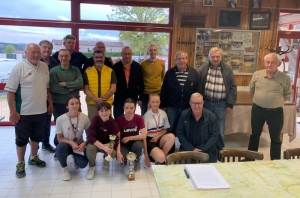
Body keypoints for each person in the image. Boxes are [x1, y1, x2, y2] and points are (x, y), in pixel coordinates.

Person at [5, 43, 53, 178]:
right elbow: (10, 92)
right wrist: (12, 111)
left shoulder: (44, 67)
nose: (36, 54)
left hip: (41, 111)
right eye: (33, 52)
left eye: (38, 52)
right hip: (23, 113)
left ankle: (33, 157)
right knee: (21, 139)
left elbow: (47, 87)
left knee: (37, 137)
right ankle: (20, 163)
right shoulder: (19, 68)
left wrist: (50, 103)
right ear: (26, 53)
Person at [247, 53, 292, 160]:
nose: (269, 64)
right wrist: (261, 100)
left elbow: (287, 95)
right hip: (258, 110)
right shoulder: (257, 74)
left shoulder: (285, 78)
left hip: (275, 112)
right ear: (264, 63)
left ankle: (275, 161)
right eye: (267, 62)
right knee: (254, 135)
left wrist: (274, 103)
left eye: (273, 62)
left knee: (275, 138)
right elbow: (252, 90)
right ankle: (250, 158)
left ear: (279, 64)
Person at [198, 47, 237, 153]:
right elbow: (198, 86)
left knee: (219, 128)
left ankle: (219, 149)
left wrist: (230, 104)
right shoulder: (203, 68)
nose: (215, 59)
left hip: (221, 104)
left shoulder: (228, 69)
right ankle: (206, 149)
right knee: (205, 126)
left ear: (221, 57)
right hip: (206, 103)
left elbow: (233, 87)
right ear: (209, 57)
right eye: (213, 56)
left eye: (217, 56)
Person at [160, 51, 198, 153]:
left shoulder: (193, 72)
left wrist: (196, 106)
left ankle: (184, 148)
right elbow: (164, 90)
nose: (181, 61)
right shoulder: (169, 73)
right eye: (179, 59)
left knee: (186, 128)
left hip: (187, 107)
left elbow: (197, 90)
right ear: (175, 60)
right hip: (172, 107)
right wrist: (163, 105)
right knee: (171, 128)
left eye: (183, 58)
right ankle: (170, 149)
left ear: (187, 60)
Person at [49, 49, 83, 152]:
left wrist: (65, 84)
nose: (64, 58)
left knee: (76, 125)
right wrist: (71, 89)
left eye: (66, 56)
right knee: (61, 125)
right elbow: (54, 88)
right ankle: (59, 148)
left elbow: (80, 83)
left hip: (75, 104)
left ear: (70, 57)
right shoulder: (53, 71)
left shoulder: (76, 70)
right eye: (61, 56)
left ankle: (76, 146)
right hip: (59, 103)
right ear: (58, 57)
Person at [55, 96, 90, 181]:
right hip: (66, 145)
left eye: (77, 103)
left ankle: (75, 157)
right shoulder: (60, 119)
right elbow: (59, 138)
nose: (75, 106)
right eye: (72, 104)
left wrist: (84, 143)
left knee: (83, 164)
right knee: (60, 147)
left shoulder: (84, 117)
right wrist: (71, 142)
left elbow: (90, 135)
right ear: (67, 106)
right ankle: (64, 169)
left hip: (79, 146)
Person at [177, 93, 219, 163]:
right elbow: (180, 133)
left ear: (203, 103)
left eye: (199, 103)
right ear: (190, 103)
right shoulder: (184, 115)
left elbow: (214, 136)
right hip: (187, 150)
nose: (196, 106)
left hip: (207, 151)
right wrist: (191, 149)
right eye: (194, 103)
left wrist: (201, 149)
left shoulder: (211, 116)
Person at [86, 102, 120, 180]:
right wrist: (102, 146)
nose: (104, 113)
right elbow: (90, 136)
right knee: (90, 148)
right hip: (96, 144)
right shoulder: (95, 119)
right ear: (98, 112)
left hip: (107, 144)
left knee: (113, 152)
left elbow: (116, 140)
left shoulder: (114, 124)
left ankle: (106, 160)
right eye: (101, 111)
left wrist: (108, 146)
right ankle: (92, 167)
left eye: (106, 110)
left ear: (110, 111)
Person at [83, 50, 117, 121]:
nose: (99, 59)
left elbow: (113, 88)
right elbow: (86, 89)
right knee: (93, 125)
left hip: (107, 104)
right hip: (92, 104)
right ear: (93, 58)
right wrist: (95, 100)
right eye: (96, 57)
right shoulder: (87, 72)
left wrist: (103, 100)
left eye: (101, 57)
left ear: (104, 58)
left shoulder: (110, 71)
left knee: (107, 126)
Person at [112, 46, 144, 119]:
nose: (127, 56)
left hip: (133, 97)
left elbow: (141, 83)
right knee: (118, 118)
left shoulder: (137, 67)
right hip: (119, 98)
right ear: (121, 54)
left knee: (130, 118)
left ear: (131, 54)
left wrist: (141, 97)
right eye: (125, 54)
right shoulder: (115, 67)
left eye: (129, 54)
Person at [143, 94, 175, 166]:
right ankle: (158, 157)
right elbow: (143, 137)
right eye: (153, 102)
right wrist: (146, 156)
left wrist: (158, 137)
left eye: (157, 102)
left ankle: (161, 157)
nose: (155, 104)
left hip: (160, 138)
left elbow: (165, 130)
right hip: (150, 140)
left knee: (172, 136)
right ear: (149, 103)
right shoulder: (146, 116)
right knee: (161, 158)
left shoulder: (163, 113)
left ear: (160, 102)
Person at [115, 98, 146, 171]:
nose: (129, 110)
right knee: (120, 154)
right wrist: (118, 153)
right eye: (127, 108)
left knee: (139, 146)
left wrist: (129, 138)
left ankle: (137, 160)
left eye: (131, 108)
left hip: (134, 141)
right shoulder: (119, 120)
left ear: (135, 108)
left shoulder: (139, 118)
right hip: (123, 143)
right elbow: (117, 138)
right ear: (123, 108)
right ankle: (124, 160)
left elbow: (144, 135)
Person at [39, 40, 59, 153]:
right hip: (38, 97)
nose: (47, 50)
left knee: (48, 121)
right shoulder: (35, 62)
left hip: (52, 96)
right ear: (40, 48)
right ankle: (35, 145)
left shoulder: (55, 62)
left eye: (49, 48)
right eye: (44, 47)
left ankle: (46, 143)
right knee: (39, 122)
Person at [140, 44, 165, 116]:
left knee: (157, 114)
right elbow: (140, 79)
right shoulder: (143, 64)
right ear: (148, 52)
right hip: (146, 93)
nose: (153, 52)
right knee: (144, 114)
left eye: (154, 50)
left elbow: (163, 77)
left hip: (157, 92)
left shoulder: (161, 64)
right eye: (151, 50)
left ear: (157, 51)